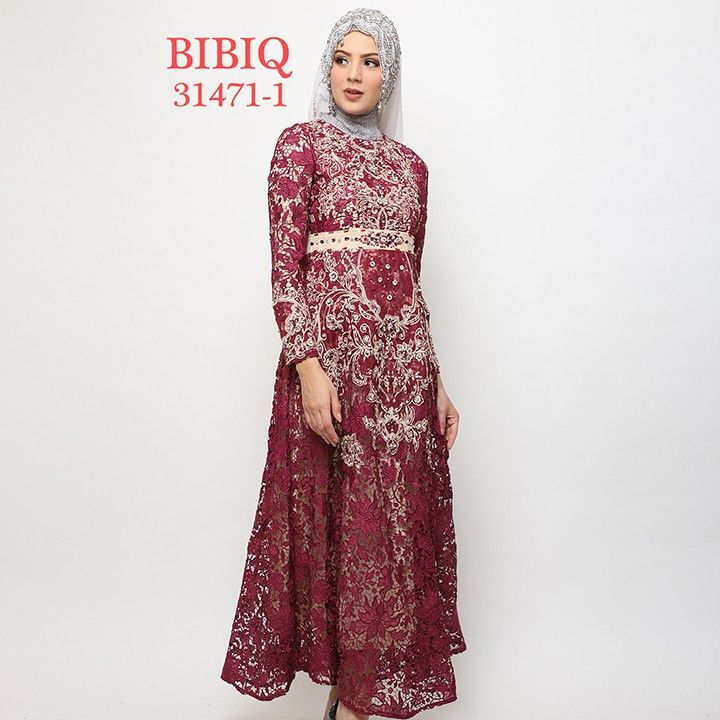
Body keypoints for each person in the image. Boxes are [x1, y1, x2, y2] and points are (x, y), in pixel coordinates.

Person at [220, 8, 466, 720]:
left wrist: (437, 380)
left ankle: (354, 703)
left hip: (402, 377)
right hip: (333, 371)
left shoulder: (412, 169)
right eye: (343, 59)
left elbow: (409, 282)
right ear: (327, 67)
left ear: (390, 75)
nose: (355, 74)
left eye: (371, 61)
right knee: (339, 530)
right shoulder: (300, 146)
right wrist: (307, 366)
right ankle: (350, 698)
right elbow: (286, 271)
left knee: (391, 536)